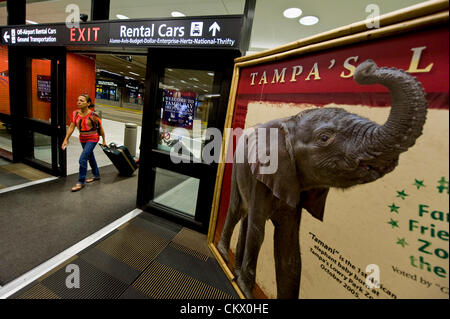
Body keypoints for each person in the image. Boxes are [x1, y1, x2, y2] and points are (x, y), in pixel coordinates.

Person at [62, 94, 107, 192]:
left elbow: (101, 128)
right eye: (78, 100)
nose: (78, 102)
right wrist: (66, 139)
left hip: (93, 138)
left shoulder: (93, 115)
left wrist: (104, 140)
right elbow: (71, 127)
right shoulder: (75, 113)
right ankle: (96, 175)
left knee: (83, 159)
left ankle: (80, 182)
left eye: (82, 101)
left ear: (88, 103)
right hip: (82, 138)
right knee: (90, 156)